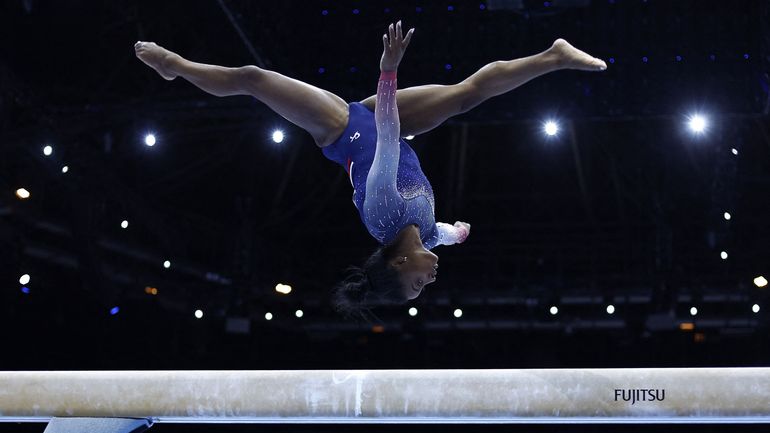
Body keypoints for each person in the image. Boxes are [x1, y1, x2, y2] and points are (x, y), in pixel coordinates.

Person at [135, 21, 606, 319]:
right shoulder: (423, 235)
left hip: (344, 129)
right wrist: (457, 232)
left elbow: (383, 130)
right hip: (389, 129)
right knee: (468, 94)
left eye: (418, 282)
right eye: (425, 287)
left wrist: (388, 71)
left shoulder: (384, 214)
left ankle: (176, 66)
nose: (431, 280)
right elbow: (443, 233)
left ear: (398, 262)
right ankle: (553, 56)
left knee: (253, 79)